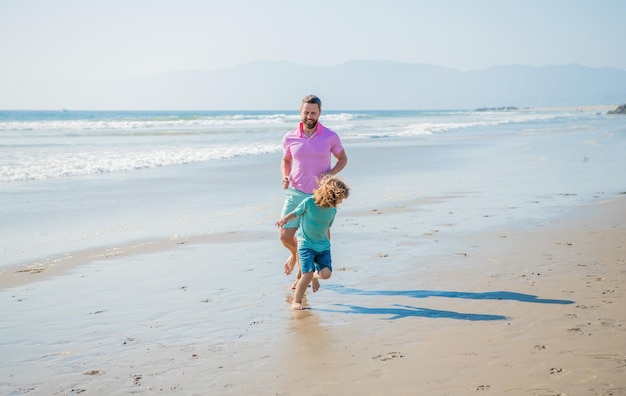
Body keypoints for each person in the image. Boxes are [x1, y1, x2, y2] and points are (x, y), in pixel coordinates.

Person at [279, 94, 348, 289]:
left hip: (321, 196)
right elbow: (286, 160)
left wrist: (330, 174)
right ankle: (295, 255)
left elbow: (343, 159)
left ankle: (304, 275)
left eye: (313, 113)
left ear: (319, 113)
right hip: (295, 191)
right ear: (301, 112)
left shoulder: (330, 136)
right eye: (306, 112)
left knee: (321, 237)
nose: (309, 116)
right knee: (284, 236)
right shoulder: (290, 137)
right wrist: (285, 175)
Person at [276, 175, 350, 310]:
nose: (340, 202)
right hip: (306, 245)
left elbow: (327, 227)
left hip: (323, 247)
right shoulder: (309, 202)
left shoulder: (332, 210)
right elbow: (295, 213)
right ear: (331, 195)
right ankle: (296, 301)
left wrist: (328, 242)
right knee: (306, 274)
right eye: (340, 198)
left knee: (326, 274)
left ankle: (314, 276)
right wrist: (284, 219)